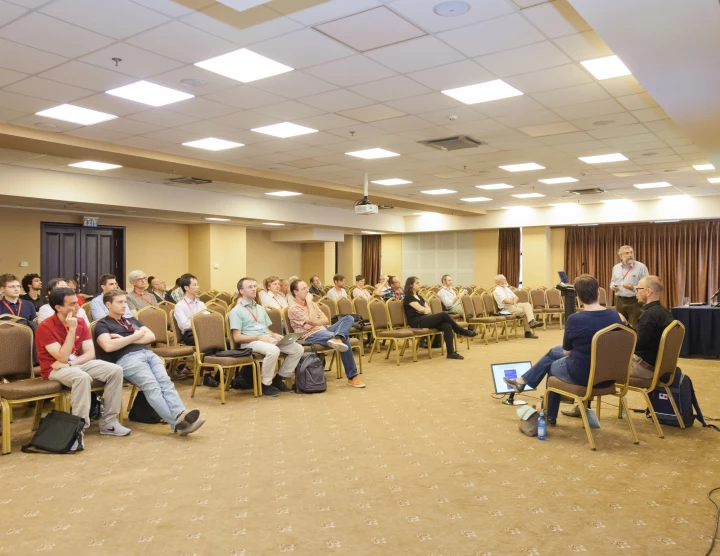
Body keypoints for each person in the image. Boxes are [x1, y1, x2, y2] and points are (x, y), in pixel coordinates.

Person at [503, 274, 623, 425]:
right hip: (609, 376)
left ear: (578, 296)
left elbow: (567, 352)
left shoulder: (575, 319)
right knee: (554, 352)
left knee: (553, 364)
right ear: (598, 293)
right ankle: (523, 382)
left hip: (585, 377)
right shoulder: (616, 316)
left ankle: (549, 414)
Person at [94, 289, 205, 436]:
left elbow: (151, 337)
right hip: (127, 360)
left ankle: (181, 414)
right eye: (119, 302)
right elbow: (108, 346)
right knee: (152, 387)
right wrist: (136, 336)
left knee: (165, 382)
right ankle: (177, 423)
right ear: (108, 304)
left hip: (148, 354)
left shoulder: (130, 320)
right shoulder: (102, 325)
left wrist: (122, 340)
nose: (123, 305)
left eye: (125, 302)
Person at [561, 275, 673, 418]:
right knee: (599, 355)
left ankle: (581, 405)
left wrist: (624, 326)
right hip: (657, 366)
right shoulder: (665, 312)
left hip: (643, 368)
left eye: (638, 289)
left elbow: (635, 344)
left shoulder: (649, 315)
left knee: (596, 359)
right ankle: (582, 405)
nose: (636, 292)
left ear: (649, 292)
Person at [36, 286, 129, 450]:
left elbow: (90, 354)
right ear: (59, 307)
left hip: (74, 364)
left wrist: (72, 363)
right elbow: (61, 357)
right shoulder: (45, 327)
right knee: (81, 377)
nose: (78, 307)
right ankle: (77, 431)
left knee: (115, 370)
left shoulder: (80, 321)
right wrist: (71, 330)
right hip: (54, 369)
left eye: (77, 302)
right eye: (72, 304)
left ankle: (109, 422)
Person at [229, 277, 304, 397]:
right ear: (241, 291)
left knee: (297, 348)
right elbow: (237, 337)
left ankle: (278, 379)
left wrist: (273, 334)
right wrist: (258, 337)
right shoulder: (236, 311)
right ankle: (266, 384)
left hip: (266, 338)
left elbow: (265, 328)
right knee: (274, 350)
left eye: (255, 286)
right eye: (250, 287)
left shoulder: (259, 308)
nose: (254, 289)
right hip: (250, 342)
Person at [289, 280, 365, 388]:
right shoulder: (294, 309)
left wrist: (314, 322)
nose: (307, 291)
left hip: (324, 329)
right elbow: (314, 319)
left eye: (307, 288)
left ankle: (338, 337)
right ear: (295, 292)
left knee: (349, 318)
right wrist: (310, 304)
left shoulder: (312, 304)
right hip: (310, 335)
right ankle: (352, 377)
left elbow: (325, 319)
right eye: (303, 289)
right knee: (345, 338)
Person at [402, 277, 476, 360]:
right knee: (444, 314)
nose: (420, 285)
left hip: (424, 318)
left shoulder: (420, 297)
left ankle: (451, 353)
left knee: (447, 325)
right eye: (417, 283)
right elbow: (421, 309)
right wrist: (424, 310)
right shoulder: (409, 297)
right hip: (416, 322)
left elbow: (428, 310)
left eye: (419, 283)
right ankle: (460, 330)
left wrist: (424, 310)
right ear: (411, 285)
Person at [173, 273, 218, 388]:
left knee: (224, 341)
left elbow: (208, 320)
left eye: (198, 284)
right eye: (195, 285)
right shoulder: (180, 305)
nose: (198, 287)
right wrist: (199, 322)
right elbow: (184, 325)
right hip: (189, 335)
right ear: (186, 288)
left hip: (203, 332)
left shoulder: (201, 304)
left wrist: (195, 320)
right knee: (207, 342)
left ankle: (219, 373)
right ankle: (207, 375)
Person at [610, 245, 648, 327]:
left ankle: (636, 340)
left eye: (631, 252)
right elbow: (612, 282)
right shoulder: (616, 267)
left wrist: (633, 288)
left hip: (635, 301)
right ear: (621, 256)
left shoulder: (641, 267)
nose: (630, 255)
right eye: (627, 253)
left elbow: (646, 286)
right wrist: (613, 286)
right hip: (619, 300)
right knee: (620, 324)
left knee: (635, 325)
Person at [493, 274, 541, 339]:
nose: (505, 280)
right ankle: (528, 332)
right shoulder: (497, 291)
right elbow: (506, 301)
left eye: (505, 279)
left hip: (514, 304)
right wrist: (512, 299)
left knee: (527, 304)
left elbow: (516, 297)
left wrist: (512, 300)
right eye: (503, 279)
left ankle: (532, 322)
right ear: (498, 281)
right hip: (505, 309)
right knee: (525, 312)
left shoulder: (507, 289)